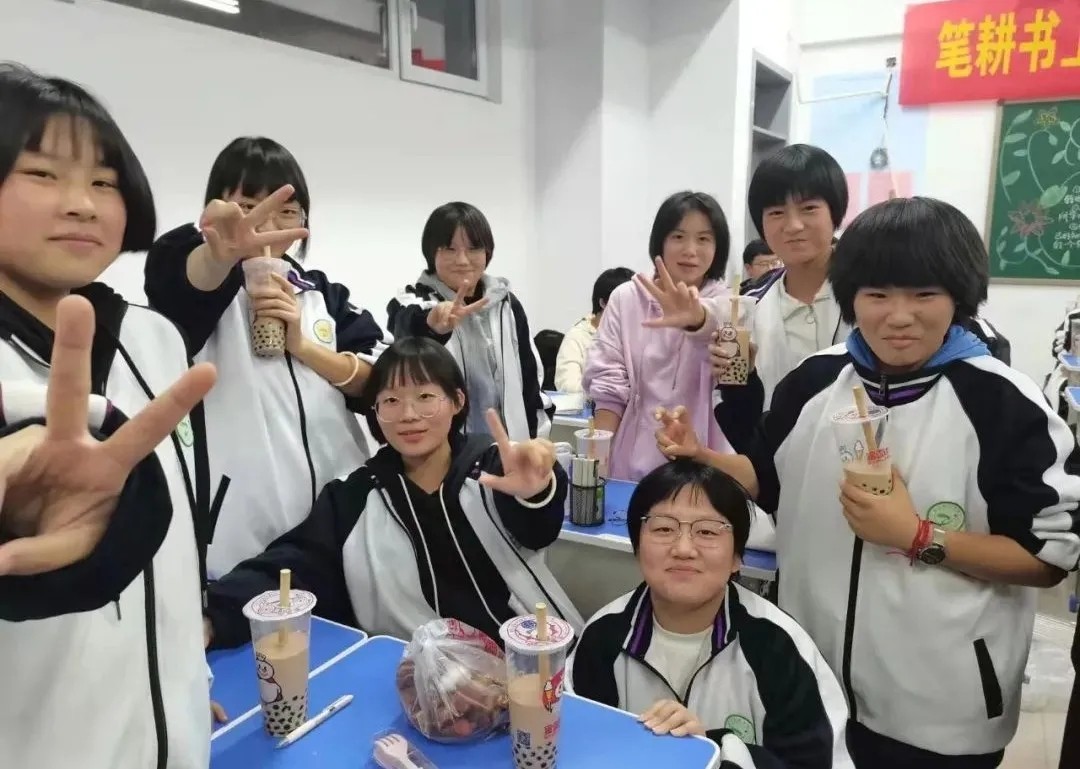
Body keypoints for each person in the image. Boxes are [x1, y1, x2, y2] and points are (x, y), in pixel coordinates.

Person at [654, 197, 1080, 768]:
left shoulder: (1002, 403)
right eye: (877, 295)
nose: (898, 316)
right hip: (812, 685)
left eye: (924, 295)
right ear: (851, 296)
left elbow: (1047, 557)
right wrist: (702, 455)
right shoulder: (815, 380)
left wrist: (917, 536)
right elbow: (769, 478)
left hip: (942, 710)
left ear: (958, 297)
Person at [0, 64, 221, 768]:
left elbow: (177, 540)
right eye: (41, 174)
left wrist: (180, 674)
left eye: (103, 182)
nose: (82, 205)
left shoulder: (153, 338)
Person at [204, 337, 583, 648]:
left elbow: (537, 531)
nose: (408, 415)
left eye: (425, 397)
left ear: (457, 401)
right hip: (417, 677)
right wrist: (212, 618)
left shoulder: (492, 468)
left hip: (528, 659)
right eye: (390, 401)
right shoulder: (353, 498)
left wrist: (538, 493)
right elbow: (289, 567)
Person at [144, 137, 386, 577]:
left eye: (287, 211)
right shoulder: (198, 278)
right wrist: (218, 255)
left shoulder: (323, 294)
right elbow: (182, 283)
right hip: (242, 532)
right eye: (249, 208)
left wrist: (305, 348)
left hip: (340, 517)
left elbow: (379, 379)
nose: (269, 224)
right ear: (216, 209)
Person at [567, 460, 853, 768]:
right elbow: (577, 747)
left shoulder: (779, 648)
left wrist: (715, 752)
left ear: (737, 557)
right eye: (664, 528)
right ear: (637, 547)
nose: (684, 548)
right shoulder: (602, 637)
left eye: (706, 531)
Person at [583, 191, 734, 482]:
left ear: (718, 247)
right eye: (678, 237)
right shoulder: (627, 298)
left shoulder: (728, 305)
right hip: (631, 465)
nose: (690, 250)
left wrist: (697, 320)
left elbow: (733, 384)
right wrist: (597, 463)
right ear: (660, 241)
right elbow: (608, 383)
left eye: (704, 239)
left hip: (705, 465)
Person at [387, 202, 551, 441]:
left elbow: (530, 377)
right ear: (431, 253)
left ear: (487, 252)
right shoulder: (413, 301)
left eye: (474, 248)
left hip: (511, 447)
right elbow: (406, 329)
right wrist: (434, 326)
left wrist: (536, 439)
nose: (462, 260)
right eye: (449, 249)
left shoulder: (506, 303)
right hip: (445, 452)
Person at [554, 267, 634, 392]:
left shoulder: (637, 334)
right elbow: (567, 385)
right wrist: (606, 391)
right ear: (603, 303)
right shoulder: (577, 337)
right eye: (627, 302)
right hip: (593, 403)